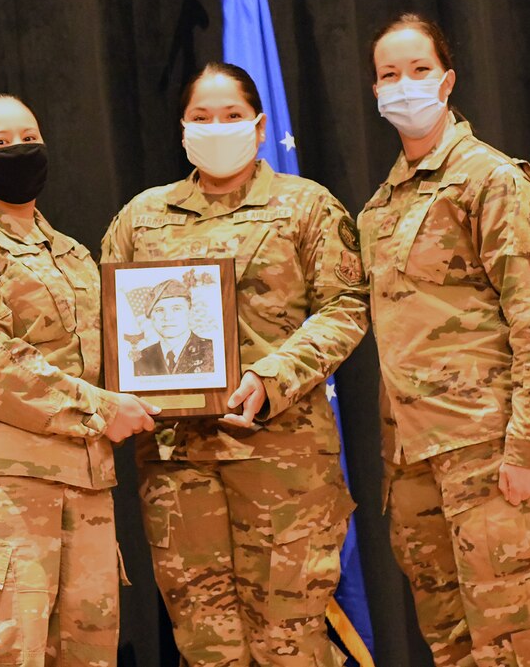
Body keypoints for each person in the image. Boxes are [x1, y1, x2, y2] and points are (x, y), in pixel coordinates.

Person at [102, 62, 369, 666]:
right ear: (182, 127)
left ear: (259, 124)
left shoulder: (306, 207)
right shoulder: (141, 218)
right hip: (177, 466)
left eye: (231, 115)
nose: (216, 126)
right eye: (201, 116)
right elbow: (107, 325)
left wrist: (274, 376)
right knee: (206, 647)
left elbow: (347, 306)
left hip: (283, 462)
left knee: (289, 644)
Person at [0, 94, 159, 667]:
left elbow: (113, 358)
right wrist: (101, 410)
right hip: (0, 499)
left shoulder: (72, 255)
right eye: (0, 142)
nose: (18, 149)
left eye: (28, 137)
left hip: (85, 494)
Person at [358, 13, 530, 667]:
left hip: (485, 449)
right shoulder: (380, 207)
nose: (404, 84)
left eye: (419, 70)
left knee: (515, 645)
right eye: (389, 75)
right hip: (412, 460)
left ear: (448, 80)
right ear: (375, 91)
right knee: (453, 646)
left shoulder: (492, 179)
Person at [133, 279, 215, 376]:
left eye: (176, 309)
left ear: (190, 312)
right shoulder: (141, 359)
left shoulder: (212, 351)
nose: (167, 317)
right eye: (159, 310)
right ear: (151, 317)